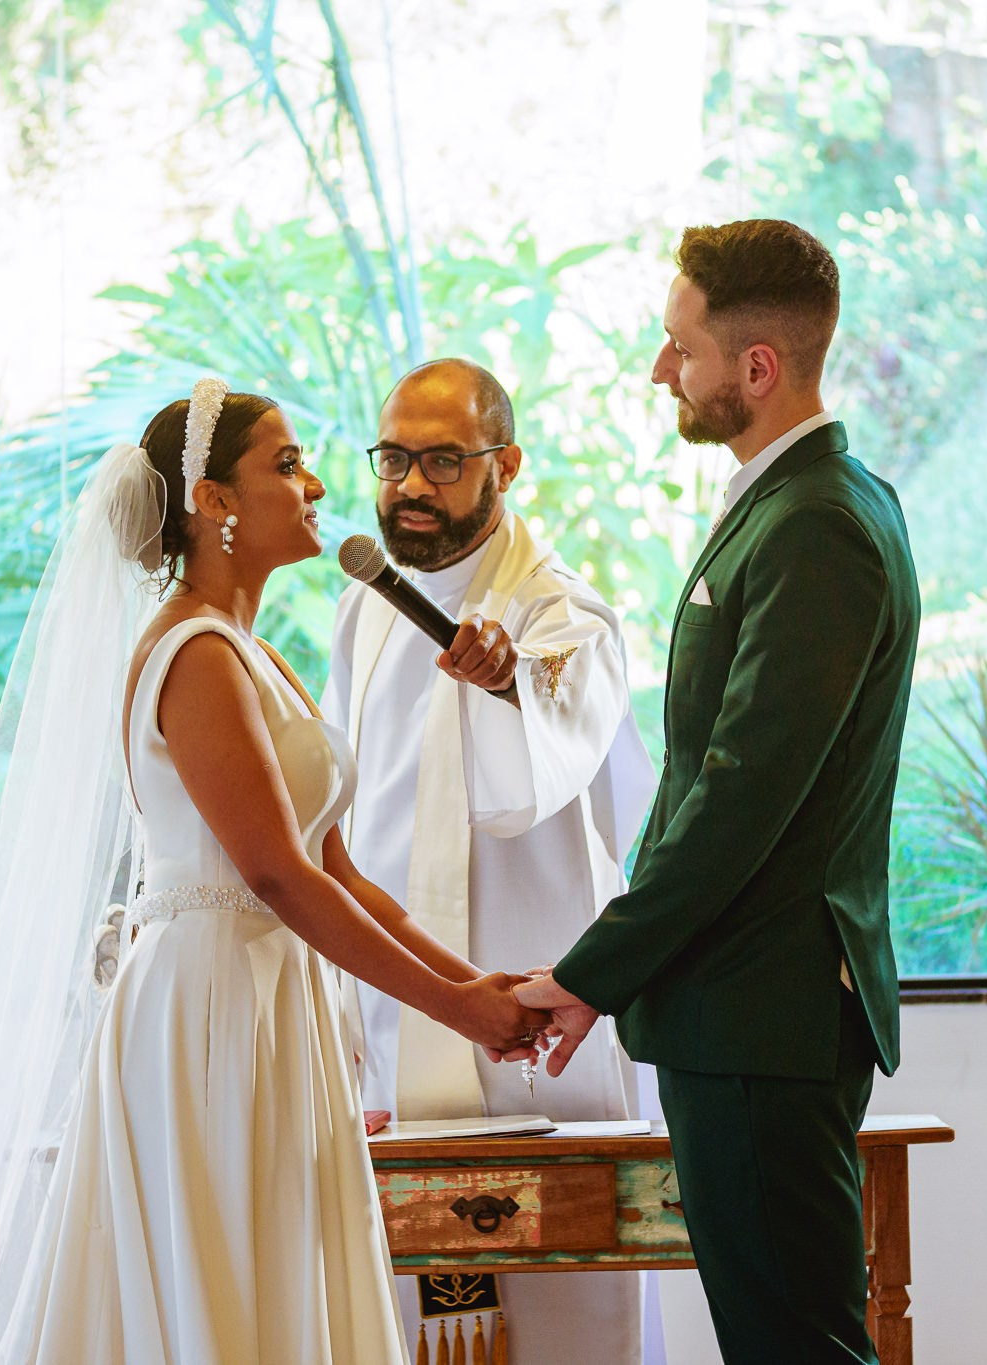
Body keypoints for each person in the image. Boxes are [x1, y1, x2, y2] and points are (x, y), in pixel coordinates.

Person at [0, 381, 549, 1365]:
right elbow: (277, 877)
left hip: (274, 1001)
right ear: (214, 500)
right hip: (210, 1010)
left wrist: (473, 984)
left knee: (274, 1274)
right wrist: (457, 1012)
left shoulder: (252, 652)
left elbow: (341, 872)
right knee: (218, 1284)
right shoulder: (195, 655)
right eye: (286, 465)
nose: (317, 485)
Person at [518, 220, 921, 1365]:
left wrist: (590, 972)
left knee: (795, 1348)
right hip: (748, 1014)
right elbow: (710, 777)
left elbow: (739, 799)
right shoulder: (811, 502)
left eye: (680, 347)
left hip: (762, 1014)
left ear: (755, 366)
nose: (660, 370)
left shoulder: (816, 524)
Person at [324, 359, 656, 1362]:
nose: (408, 487)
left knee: (564, 1333)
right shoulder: (364, 608)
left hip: (531, 1045)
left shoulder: (564, 614)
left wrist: (510, 685)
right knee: (397, 1328)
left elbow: (544, 761)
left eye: (442, 461)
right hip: (399, 1033)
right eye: (393, 460)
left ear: (504, 466)